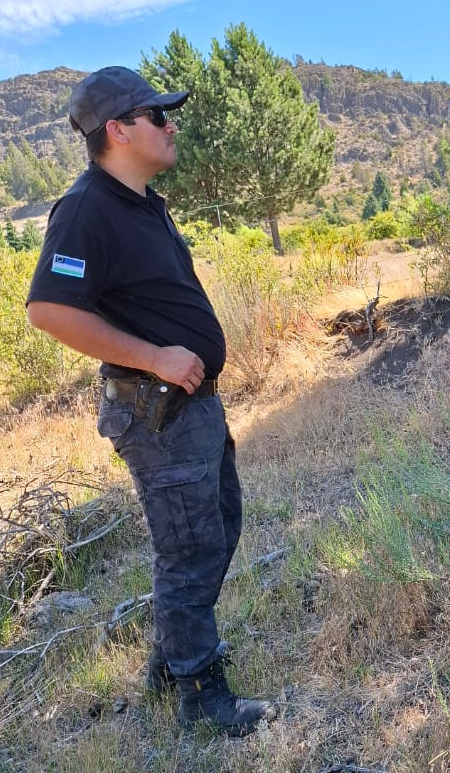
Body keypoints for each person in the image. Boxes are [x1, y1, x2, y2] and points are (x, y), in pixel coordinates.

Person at [26, 66, 275, 738]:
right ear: (118, 129)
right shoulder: (86, 209)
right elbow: (49, 309)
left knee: (217, 529)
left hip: (189, 407)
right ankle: (200, 695)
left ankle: (170, 669)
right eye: (157, 115)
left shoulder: (142, 203)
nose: (171, 125)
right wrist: (156, 357)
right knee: (189, 549)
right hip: (154, 408)